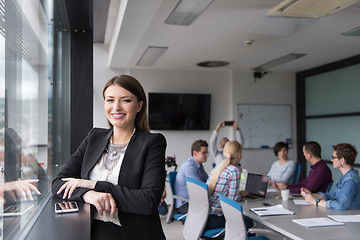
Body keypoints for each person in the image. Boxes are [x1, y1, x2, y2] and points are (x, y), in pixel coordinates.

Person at [52, 75, 167, 240]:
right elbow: (58, 183)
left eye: (125, 100)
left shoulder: (153, 143)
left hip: (133, 235)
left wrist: (94, 185)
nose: (116, 107)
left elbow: (148, 201)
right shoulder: (94, 137)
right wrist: (87, 194)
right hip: (92, 230)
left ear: (139, 105)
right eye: (110, 100)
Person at [205, 141, 249, 229]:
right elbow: (233, 200)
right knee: (249, 223)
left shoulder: (216, 168)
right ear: (239, 155)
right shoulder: (234, 171)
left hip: (205, 217)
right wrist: (241, 194)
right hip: (217, 217)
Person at [302, 143, 360, 210]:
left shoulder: (351, 180)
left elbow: (340, 205)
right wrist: (312, 195)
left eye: (333, 157)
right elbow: (331, 195)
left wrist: (316, 202)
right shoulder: (344, 176)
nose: (331, 160)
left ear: (342, 160)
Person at [174, 140, 209, 214]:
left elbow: (208, 180)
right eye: (204, 153)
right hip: (185, 205)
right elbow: (200, 189)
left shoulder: (199, 165)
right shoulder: (189, 166)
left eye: (207, 152)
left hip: (193, 201)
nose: (207, 155)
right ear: (195, 153)